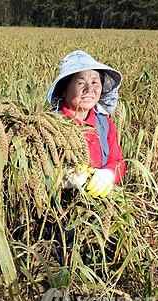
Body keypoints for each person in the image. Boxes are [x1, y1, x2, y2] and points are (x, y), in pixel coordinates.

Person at [46, 50, 126, 198]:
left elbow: (117, 161)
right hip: (58, 211)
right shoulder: (50, 125)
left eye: (95, 82)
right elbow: (35, 170)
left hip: (96, 208)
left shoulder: (104, 124)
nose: (89, 89)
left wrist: (109, 174)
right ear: (64, 89)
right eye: (81, 82)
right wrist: (61, 178)